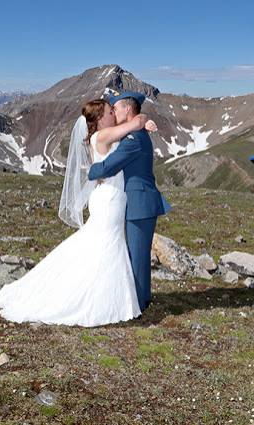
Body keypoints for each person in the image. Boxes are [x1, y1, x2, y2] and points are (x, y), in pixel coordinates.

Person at [0, 98, 157, 327]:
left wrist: (144, 120)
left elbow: (134, 124)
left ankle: (107, 295)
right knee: (106, 244)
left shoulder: (106, 133)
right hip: (109, 200)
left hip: (111, 197)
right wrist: (142, 121)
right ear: (99, 119)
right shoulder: (103, 135)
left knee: (101, 246)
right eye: (109, 111)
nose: (112, 114)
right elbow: (134, 125)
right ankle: (98, 298)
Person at [88, 91, 171, 312]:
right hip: (135, 203)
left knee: (138, 256)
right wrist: (142, 121)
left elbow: (108, 167)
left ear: (127, 109)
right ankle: (140, 300)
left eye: (115, 109)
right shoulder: (132, 133)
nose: (113, 113)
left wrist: (90, 171)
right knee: (135, 255)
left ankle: (140, 304)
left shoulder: (133, 140)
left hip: (140, 204)